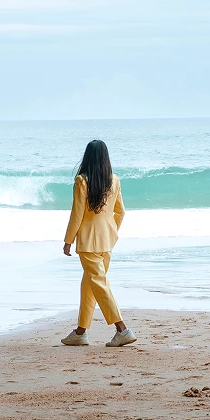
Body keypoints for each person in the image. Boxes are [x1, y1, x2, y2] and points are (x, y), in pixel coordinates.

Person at [60, 140, 136, 347]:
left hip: (88, 242)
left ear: (88, 157)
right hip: (107, 240)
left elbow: (77, 214)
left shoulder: (82, 181)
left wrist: (68, 240)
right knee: (90, 285)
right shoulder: (115, 180)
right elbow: (120, 212)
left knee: (99, 285)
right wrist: (110, 231)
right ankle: (80, 332)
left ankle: (122, 329)